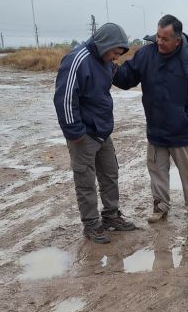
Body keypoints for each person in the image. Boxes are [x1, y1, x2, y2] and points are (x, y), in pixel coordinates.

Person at [112, 14, 188, 223]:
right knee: (157, 171)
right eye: (158, 36)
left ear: (177, 40)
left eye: (164, 39)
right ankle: (160, 207)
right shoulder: (146, 54)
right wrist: (108, 65)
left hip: (183, 130)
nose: (159, 41)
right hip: (156, 128)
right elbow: (126, 77)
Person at [53, 23, 137, 243]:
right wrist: (75, 133)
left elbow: (119, 80)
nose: (115, 58)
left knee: (110, 174)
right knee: (86, 181)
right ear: (104, 44)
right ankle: (91, 225)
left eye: (119, 54)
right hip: (83, 134)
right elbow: (64, 99)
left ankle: (110, 216)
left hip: (102, 132)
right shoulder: (76, 61)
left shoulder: (106, 61)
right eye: (114, 53)